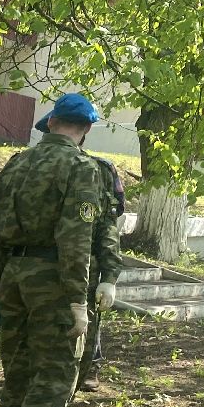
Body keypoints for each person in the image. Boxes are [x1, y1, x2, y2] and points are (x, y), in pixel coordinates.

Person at [0, 92, 117, 407]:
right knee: (56, 371)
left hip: (15, 274)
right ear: (86, 129)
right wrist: (78, 299)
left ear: (52, 122)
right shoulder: (81, 168)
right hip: (54, 278)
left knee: (19, 366)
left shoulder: (17, 163)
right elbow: (75, 237)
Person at [77, 154, 126, 391]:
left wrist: (109, 276)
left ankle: (91, 365)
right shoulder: (29, 164)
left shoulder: (101, 169)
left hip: (86, 264)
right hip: (42, 265)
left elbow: (110, 219)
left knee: (88, 317)